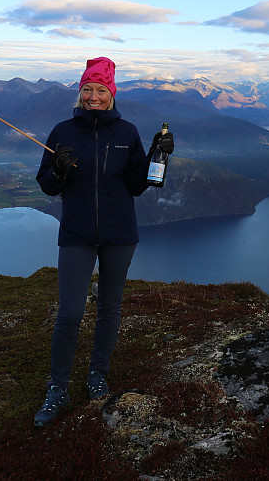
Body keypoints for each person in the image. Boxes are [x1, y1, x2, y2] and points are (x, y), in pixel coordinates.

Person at [33, 56, 174, 427]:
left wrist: (160, 155)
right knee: (69, 314)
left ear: (111, 94)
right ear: (79, 93)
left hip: (119, 233)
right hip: (77, 233)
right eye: (87, 90)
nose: (93, 97)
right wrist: (60, 171)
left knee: (110, 307)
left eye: (100, 90)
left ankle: (98, 374)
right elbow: (47, 184)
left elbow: (138, 185)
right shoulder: (62, 131)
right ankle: (58, 387)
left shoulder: (126, 133)